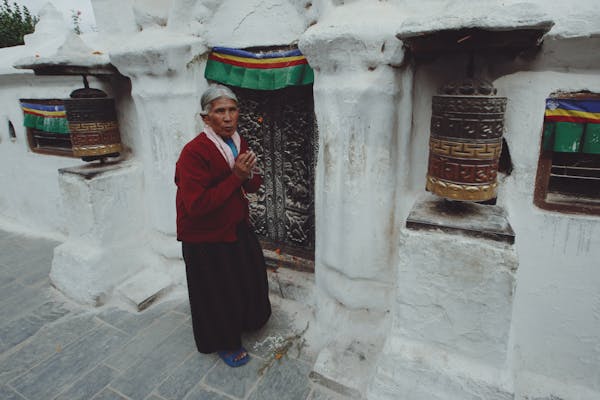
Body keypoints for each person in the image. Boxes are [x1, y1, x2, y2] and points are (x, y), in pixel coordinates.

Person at [175, 84, 271, 367]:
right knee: (216, 292)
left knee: (247, 277)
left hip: (234, 225)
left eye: (232, 110)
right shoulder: (193, 153)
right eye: (220, 112)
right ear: (206, 118)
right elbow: (197, 206)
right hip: (203, 236)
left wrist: (249, 175)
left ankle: (247, 319)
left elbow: (248, 182)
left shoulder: (237, 141)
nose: (228, 117)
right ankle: (224, 342)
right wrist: (236, 176)